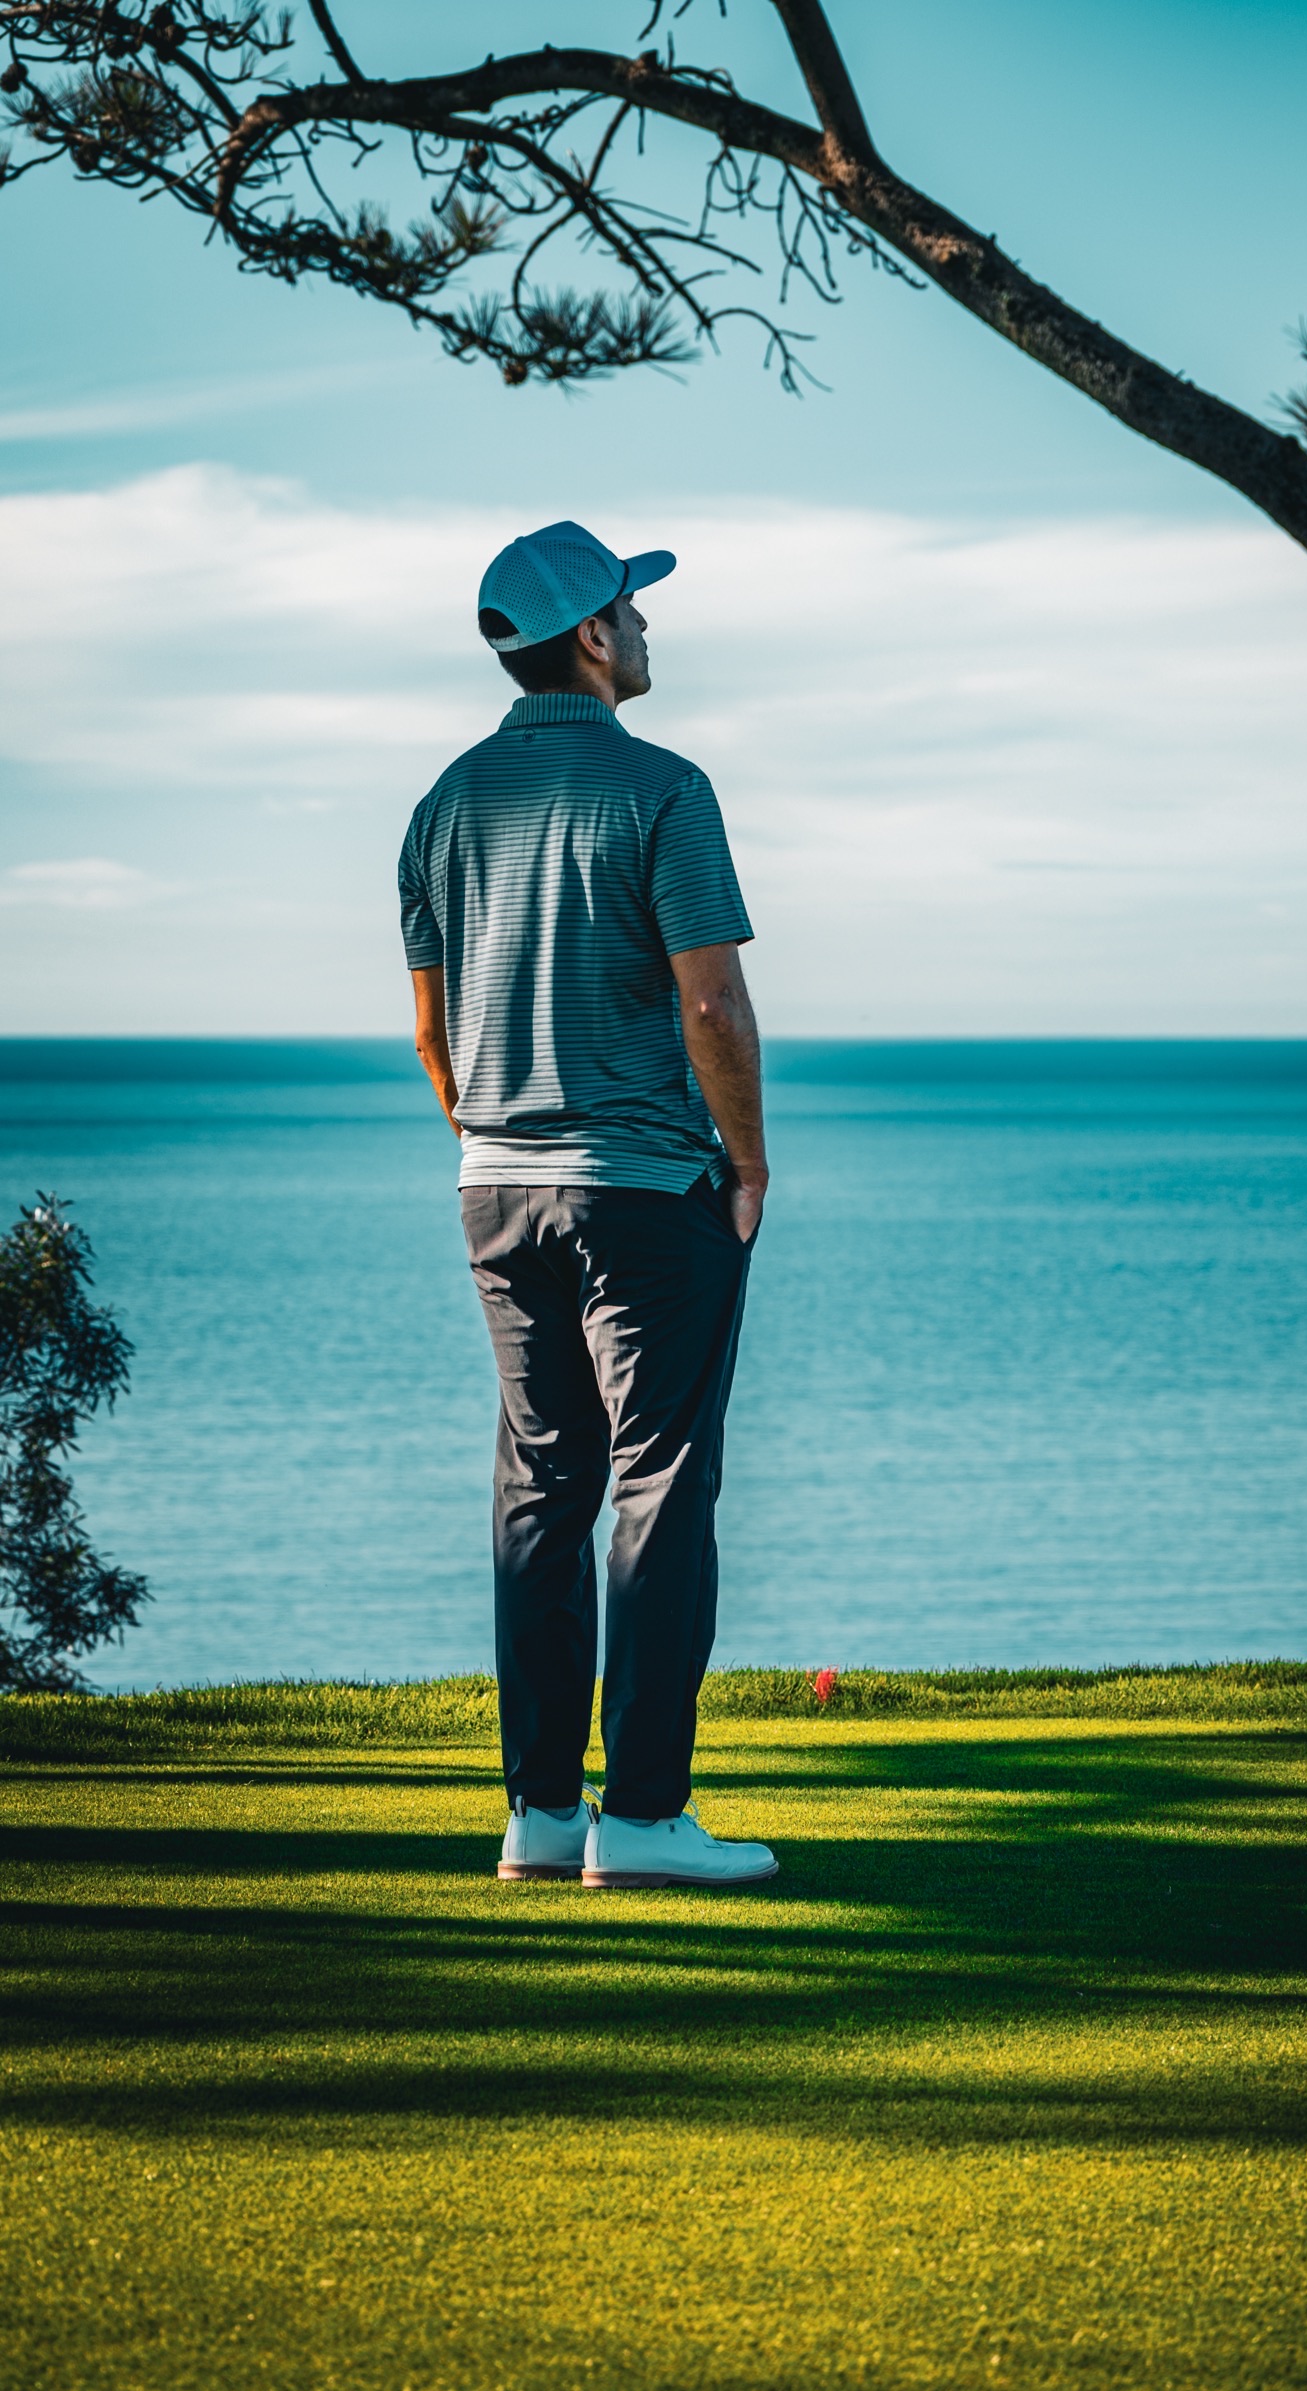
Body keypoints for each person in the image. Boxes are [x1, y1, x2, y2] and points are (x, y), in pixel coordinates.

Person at [398, 519, 776, 1891]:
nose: (650, 626)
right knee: (659, 1482)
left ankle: (543, 1814)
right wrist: (749, 1163)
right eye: (633, 605)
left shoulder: (442, 805)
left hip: (494, 1187)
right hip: (646, 1190)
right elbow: (712, 1004)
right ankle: (649, 1821)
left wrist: (494, 1143)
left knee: (541, 1485)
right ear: (596, 637)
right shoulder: (667, 789)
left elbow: (432, 1033)